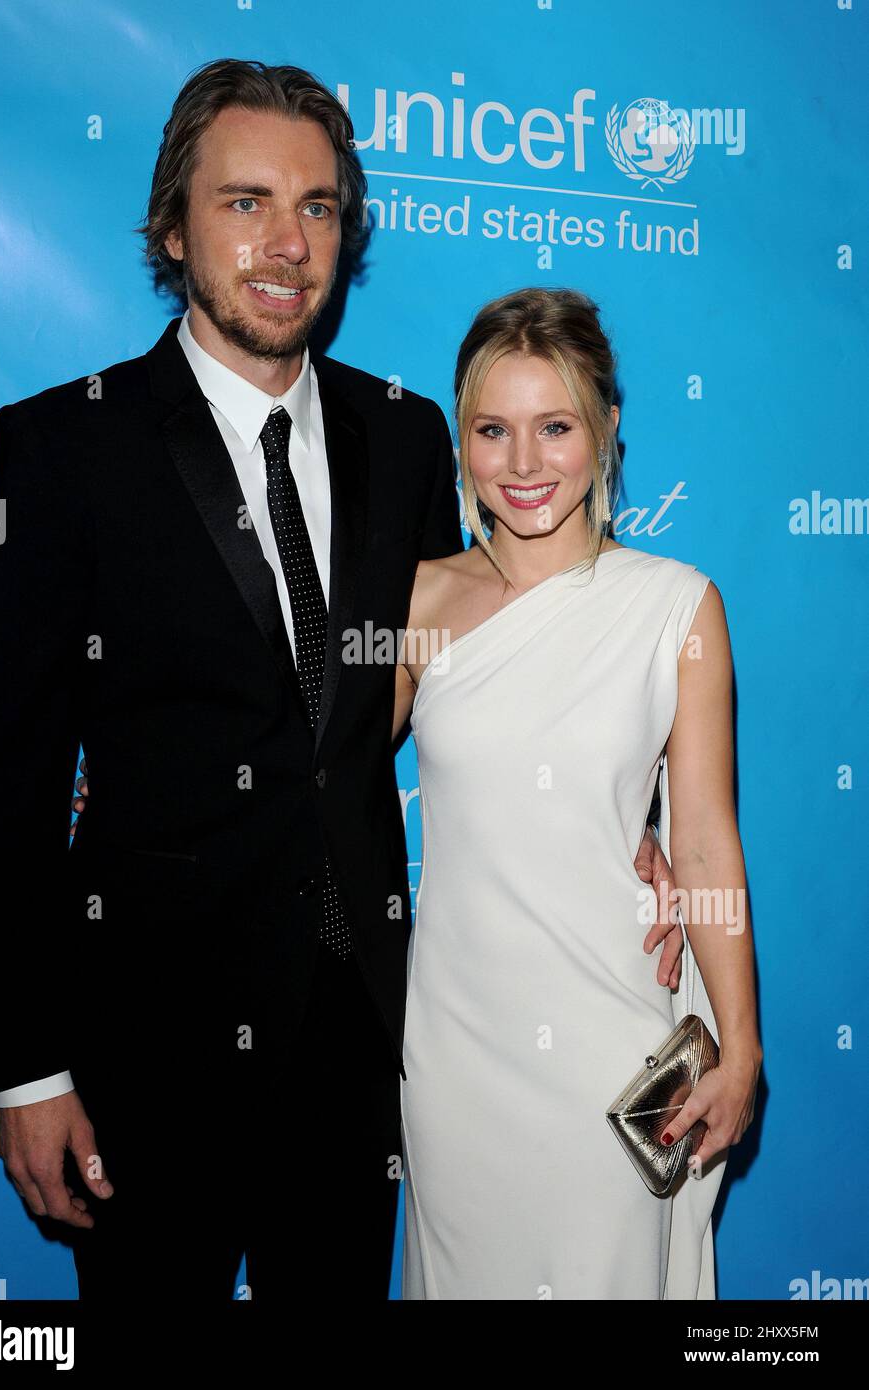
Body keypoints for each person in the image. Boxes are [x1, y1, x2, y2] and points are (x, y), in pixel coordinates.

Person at [0, 59, 681, 1304]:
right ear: (173, 230)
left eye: (320, 207)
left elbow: (510, 649)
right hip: (143, 1059)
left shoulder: (402, 437)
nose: (289, 243)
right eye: (245, 204)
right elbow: (0, 788)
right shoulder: (63, 446)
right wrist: (26, 1072)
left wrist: (636, 821)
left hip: (366, 1056)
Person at [392, 287, 763, 1300]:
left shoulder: (677, 605)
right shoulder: (416, 601)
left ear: (604, 431)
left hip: (614, 1040)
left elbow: (702, 847)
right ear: (460, 440)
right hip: (455, 1049)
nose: (522, 465)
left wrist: (741, 1046)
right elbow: (309, 779)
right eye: (491, 430)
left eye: (554, 427)